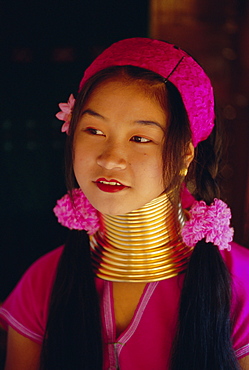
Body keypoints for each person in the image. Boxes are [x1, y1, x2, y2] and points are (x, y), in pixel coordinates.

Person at [0, 38, 249, 370]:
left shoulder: (240, 284)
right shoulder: (43, 281)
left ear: (185, 154)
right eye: (93, 130)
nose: (110, 159)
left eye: (140, 138)